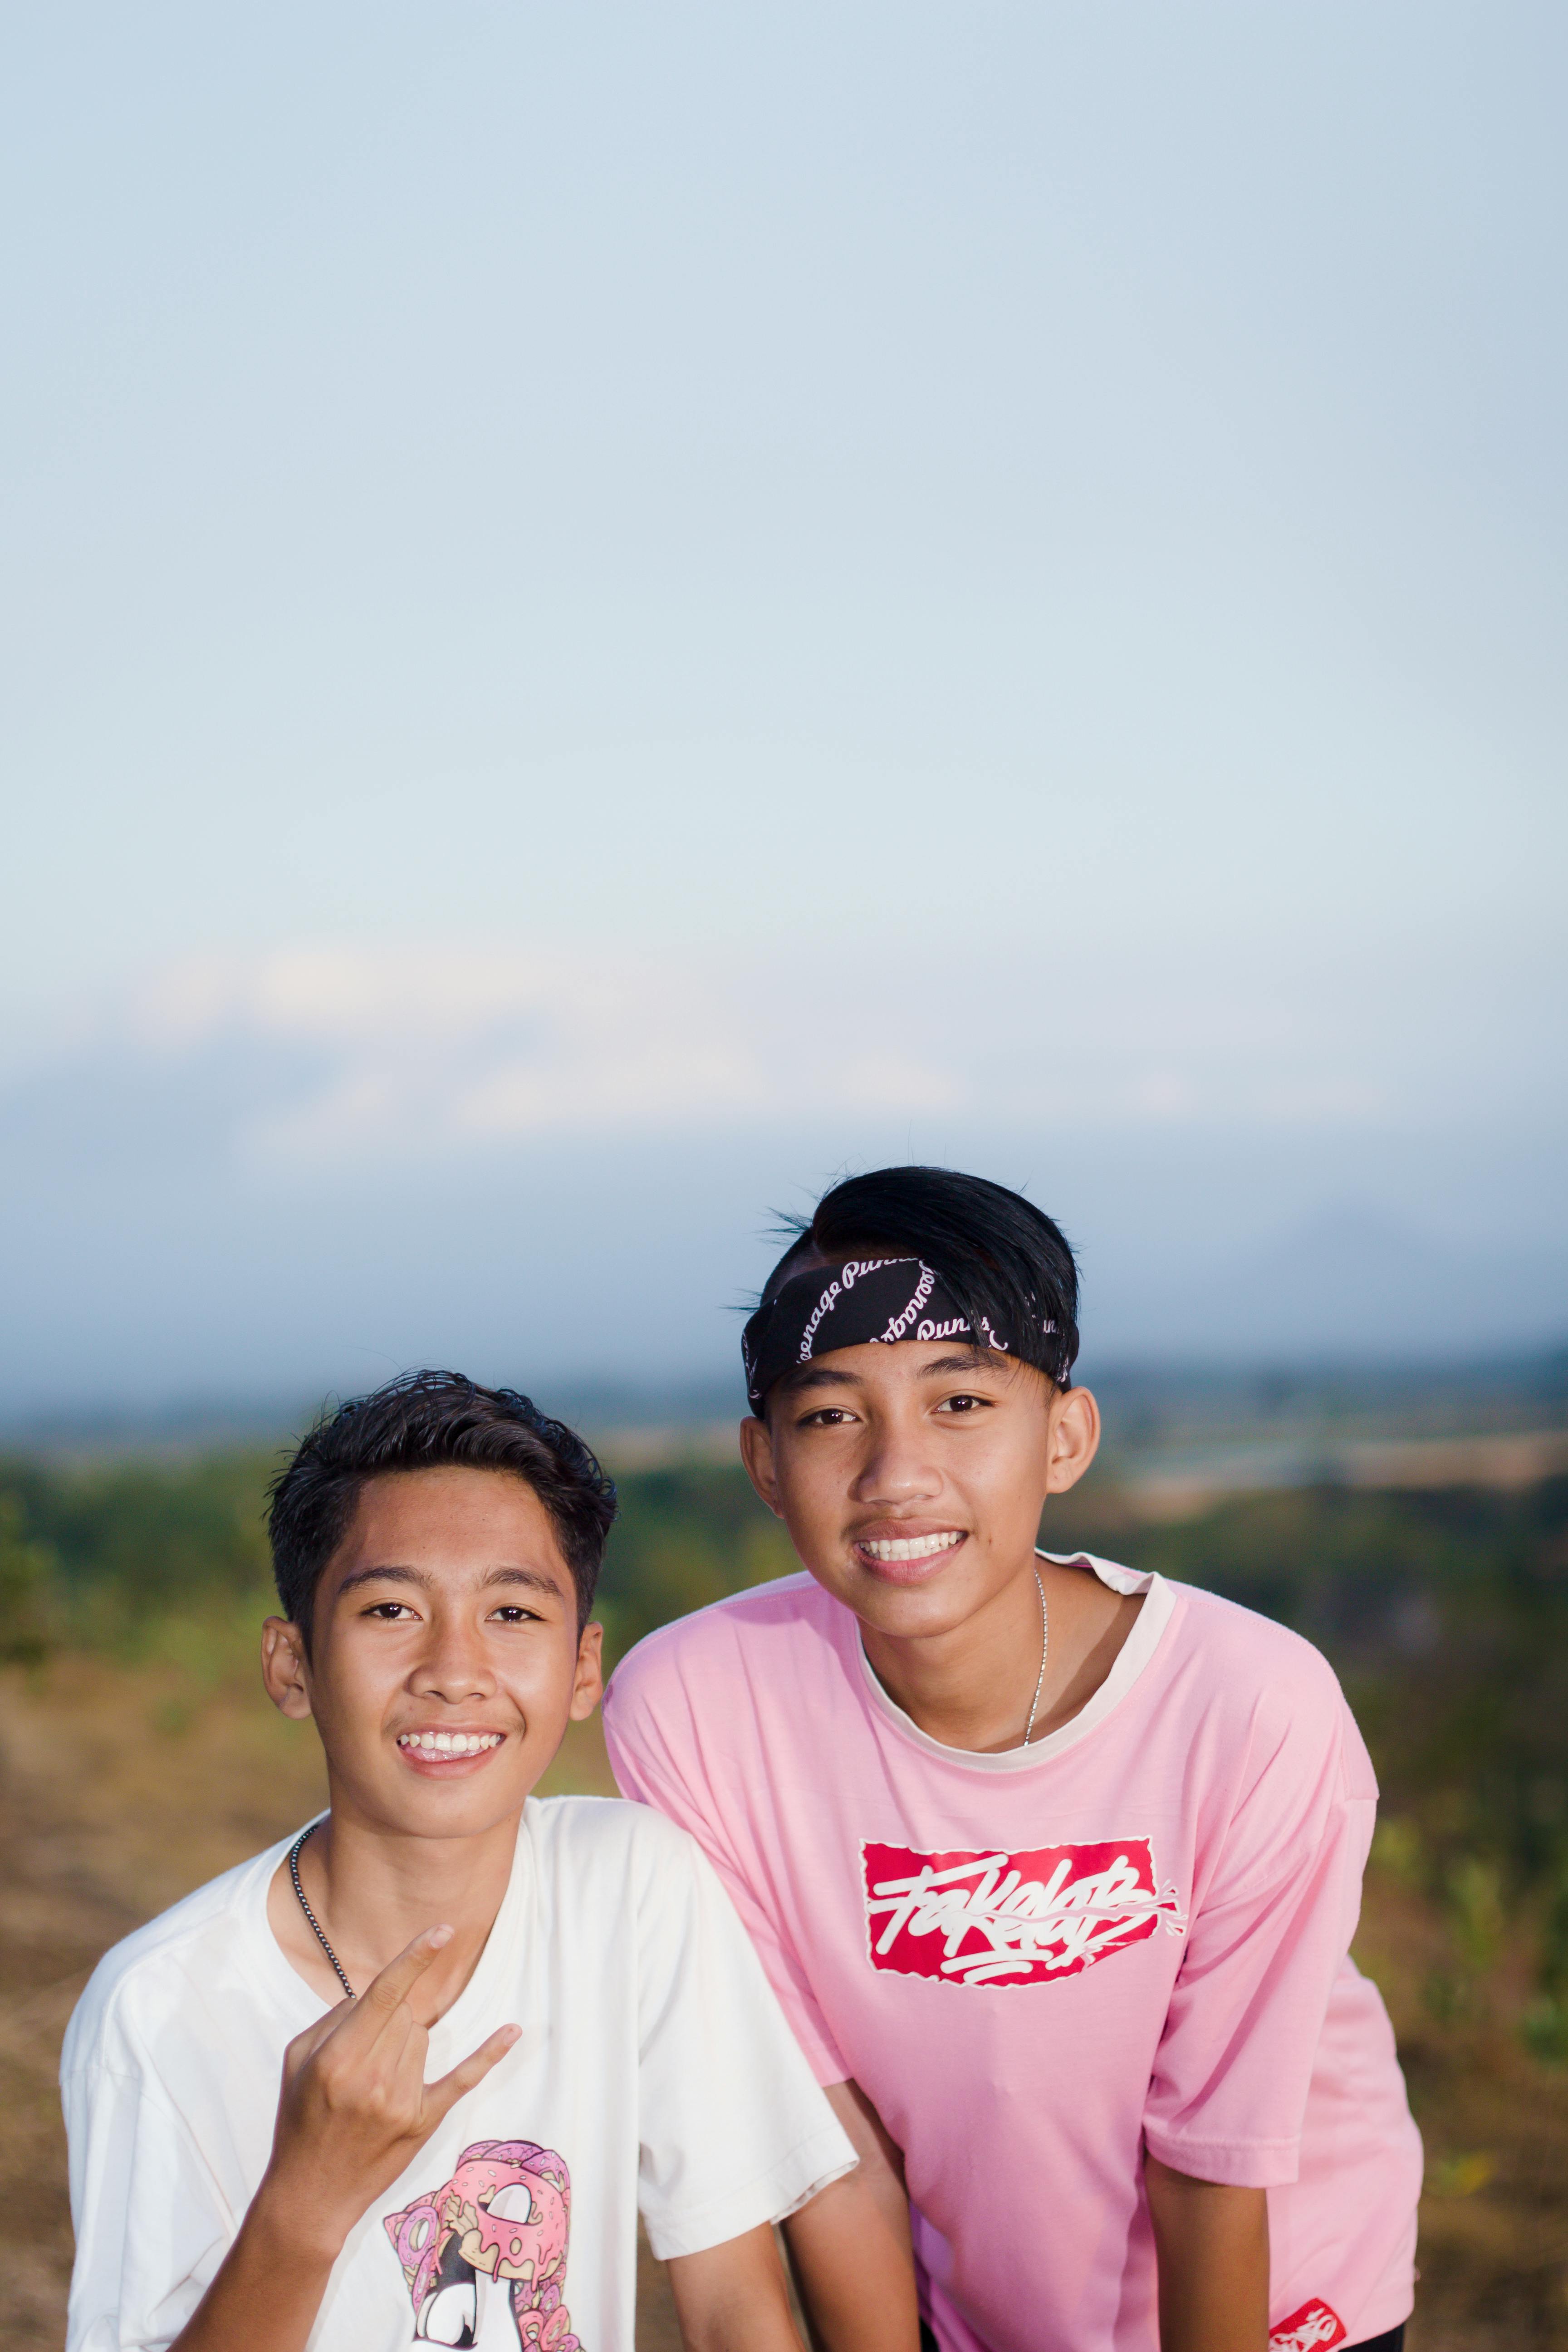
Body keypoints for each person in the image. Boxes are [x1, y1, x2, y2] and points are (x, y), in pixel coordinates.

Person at [603, 1166, 1424, 2352]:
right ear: (766, 1461)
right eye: (833, 1414)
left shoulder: (1251, 1709)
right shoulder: (697, 1712)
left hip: (1288, 2304)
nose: (897, 1475)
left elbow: (1216, 2168)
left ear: (1065, 1436)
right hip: (978, 2308)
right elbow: (836, 2150)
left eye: (962, 1404)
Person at [61, 1371, 867, 2352]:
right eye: (391, 1611)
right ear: (293, 1666)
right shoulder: (160, 2007)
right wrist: (306, 2203)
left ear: (583, 1669)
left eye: (514, 1615)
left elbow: (738, 2308)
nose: (453, 1672)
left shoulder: (629, 1887)